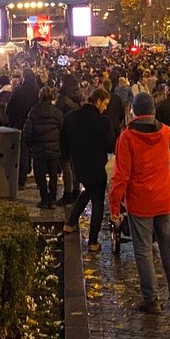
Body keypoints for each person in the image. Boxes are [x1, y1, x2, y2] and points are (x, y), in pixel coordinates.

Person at [110, 92, 170, 313]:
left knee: (143, 249)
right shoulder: (165, 132)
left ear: (133, 110)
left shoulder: (127, 137)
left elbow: (121, 175)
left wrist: (115, 206)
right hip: (164, 197)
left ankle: (151, 298)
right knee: (169, 246)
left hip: (141, 201)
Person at [62, 87, 116, 253]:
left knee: (87, 191)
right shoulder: (103, 122)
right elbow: (110, 146)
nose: (105, 108)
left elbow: (63, 140)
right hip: (97, 166)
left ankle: (70, 224)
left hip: (78, 165)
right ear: (97, 101)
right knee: (98, 201)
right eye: (105, 104)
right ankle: (93, 242)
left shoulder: (71, 117)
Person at [22, 86, 64, 209]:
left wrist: (30, 145)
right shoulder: (57, 112)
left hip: (38, 150)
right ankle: (52, 199)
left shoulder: (33, 112)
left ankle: (44, 198)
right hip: (54, 150)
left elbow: (27, 131)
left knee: (40, 176)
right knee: (53, 176)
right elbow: (62, 130)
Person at [7, 69, 39, 188]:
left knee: (23, 152)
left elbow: (10, 109)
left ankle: (21, 178)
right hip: (36, 124)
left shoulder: (18, 92)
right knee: (35, 152)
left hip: (20, 124)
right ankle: (38, 179)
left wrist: (13, 121)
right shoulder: (37, 91)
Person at [54, 74, 82, 205]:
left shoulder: (63, 98)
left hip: (65, 133)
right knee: (75, 163)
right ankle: (76, 190)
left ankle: (68, 193)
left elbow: (57, 115)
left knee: (65, 164)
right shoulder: (77, 96)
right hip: (77, 132)